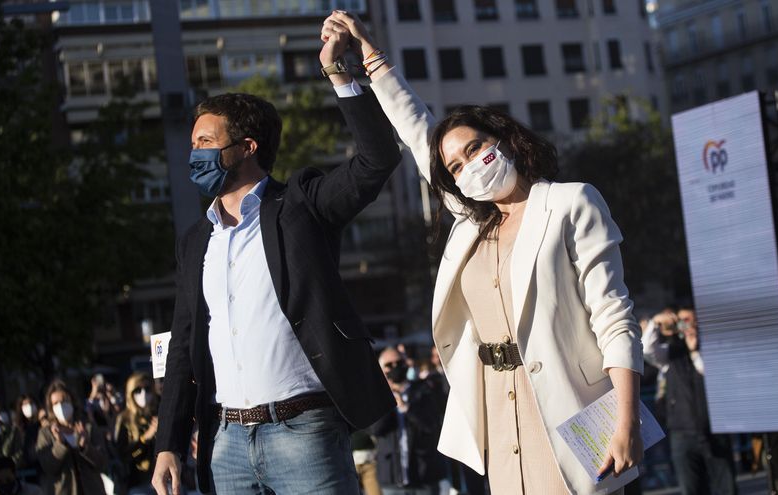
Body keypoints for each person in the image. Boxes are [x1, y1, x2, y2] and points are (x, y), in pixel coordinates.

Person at [320, 12, 644, 495]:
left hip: (571, 405)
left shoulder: (570, 201)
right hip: (496, 405)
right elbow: (415, 131)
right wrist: (358, 62)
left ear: (504, 139)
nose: (468, 166)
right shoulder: (471, 219)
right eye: (454, 165)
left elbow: (614, 316)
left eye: (474, 149)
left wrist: (627, 420)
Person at [150, 24, 400, 495]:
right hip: (224, 445)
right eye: (193, 143)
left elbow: (376, 160)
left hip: (304, 434)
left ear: (247, 147)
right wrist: (169, 444)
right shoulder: (195, 241)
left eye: (206, 142)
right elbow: (184, 345)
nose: (193, 154)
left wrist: (339, 72)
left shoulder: (302, 206)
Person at [643, 308, 737, 495]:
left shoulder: (711, 348)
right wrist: (655, 322)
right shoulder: (672, 353)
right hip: (683, 434)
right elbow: (647, 350)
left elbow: (712, 375)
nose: (685, 325)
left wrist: (695, 351)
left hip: (715, 430)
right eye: (681, 321)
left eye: (689, 320)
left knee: (726, 487)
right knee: (692, 489)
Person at [372, 347, 445, 495]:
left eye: (398, 362)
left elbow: (431, 425)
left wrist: (407, 408)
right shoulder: (378, 397)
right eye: (389, 365)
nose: (395, 367)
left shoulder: (424, 390)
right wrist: (388, 397)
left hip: (423, 474)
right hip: (392, 477)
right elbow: (375, 429)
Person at [35, 379, 108, 495]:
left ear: (72, 401)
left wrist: (85, 447)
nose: (61, 406)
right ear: (51, 408)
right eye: (56, 403)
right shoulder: (46, 433)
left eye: (64, 401)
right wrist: (60, 444)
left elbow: (102, 463)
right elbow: (48, 467)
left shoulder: (88, 427)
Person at [115, 372, 158, 495]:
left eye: (147, 389)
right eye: (138, 390)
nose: (143, 394)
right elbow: (123, 455)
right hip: (138, 481)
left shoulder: (158, 412)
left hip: (163, 476)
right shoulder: (124, 419)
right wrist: (145, 438)